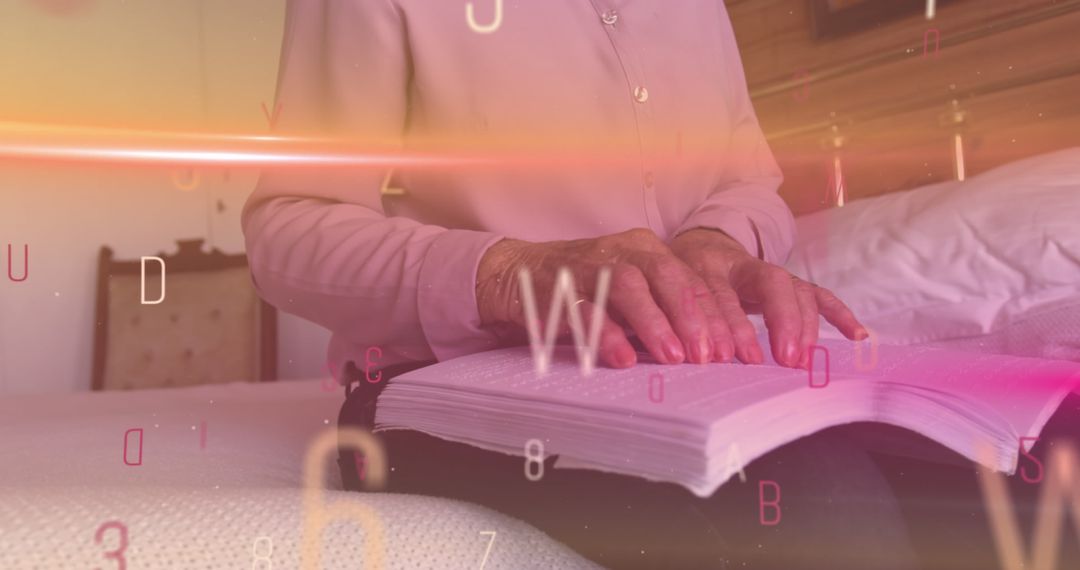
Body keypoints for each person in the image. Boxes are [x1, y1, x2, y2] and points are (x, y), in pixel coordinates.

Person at [240, 1, 1024, 568]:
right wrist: (516, 274)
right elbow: (288, 228)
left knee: (1009, 472)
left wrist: (716, 241)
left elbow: (748, 180)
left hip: (690, 372)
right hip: (446, 383)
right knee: (825, 505)